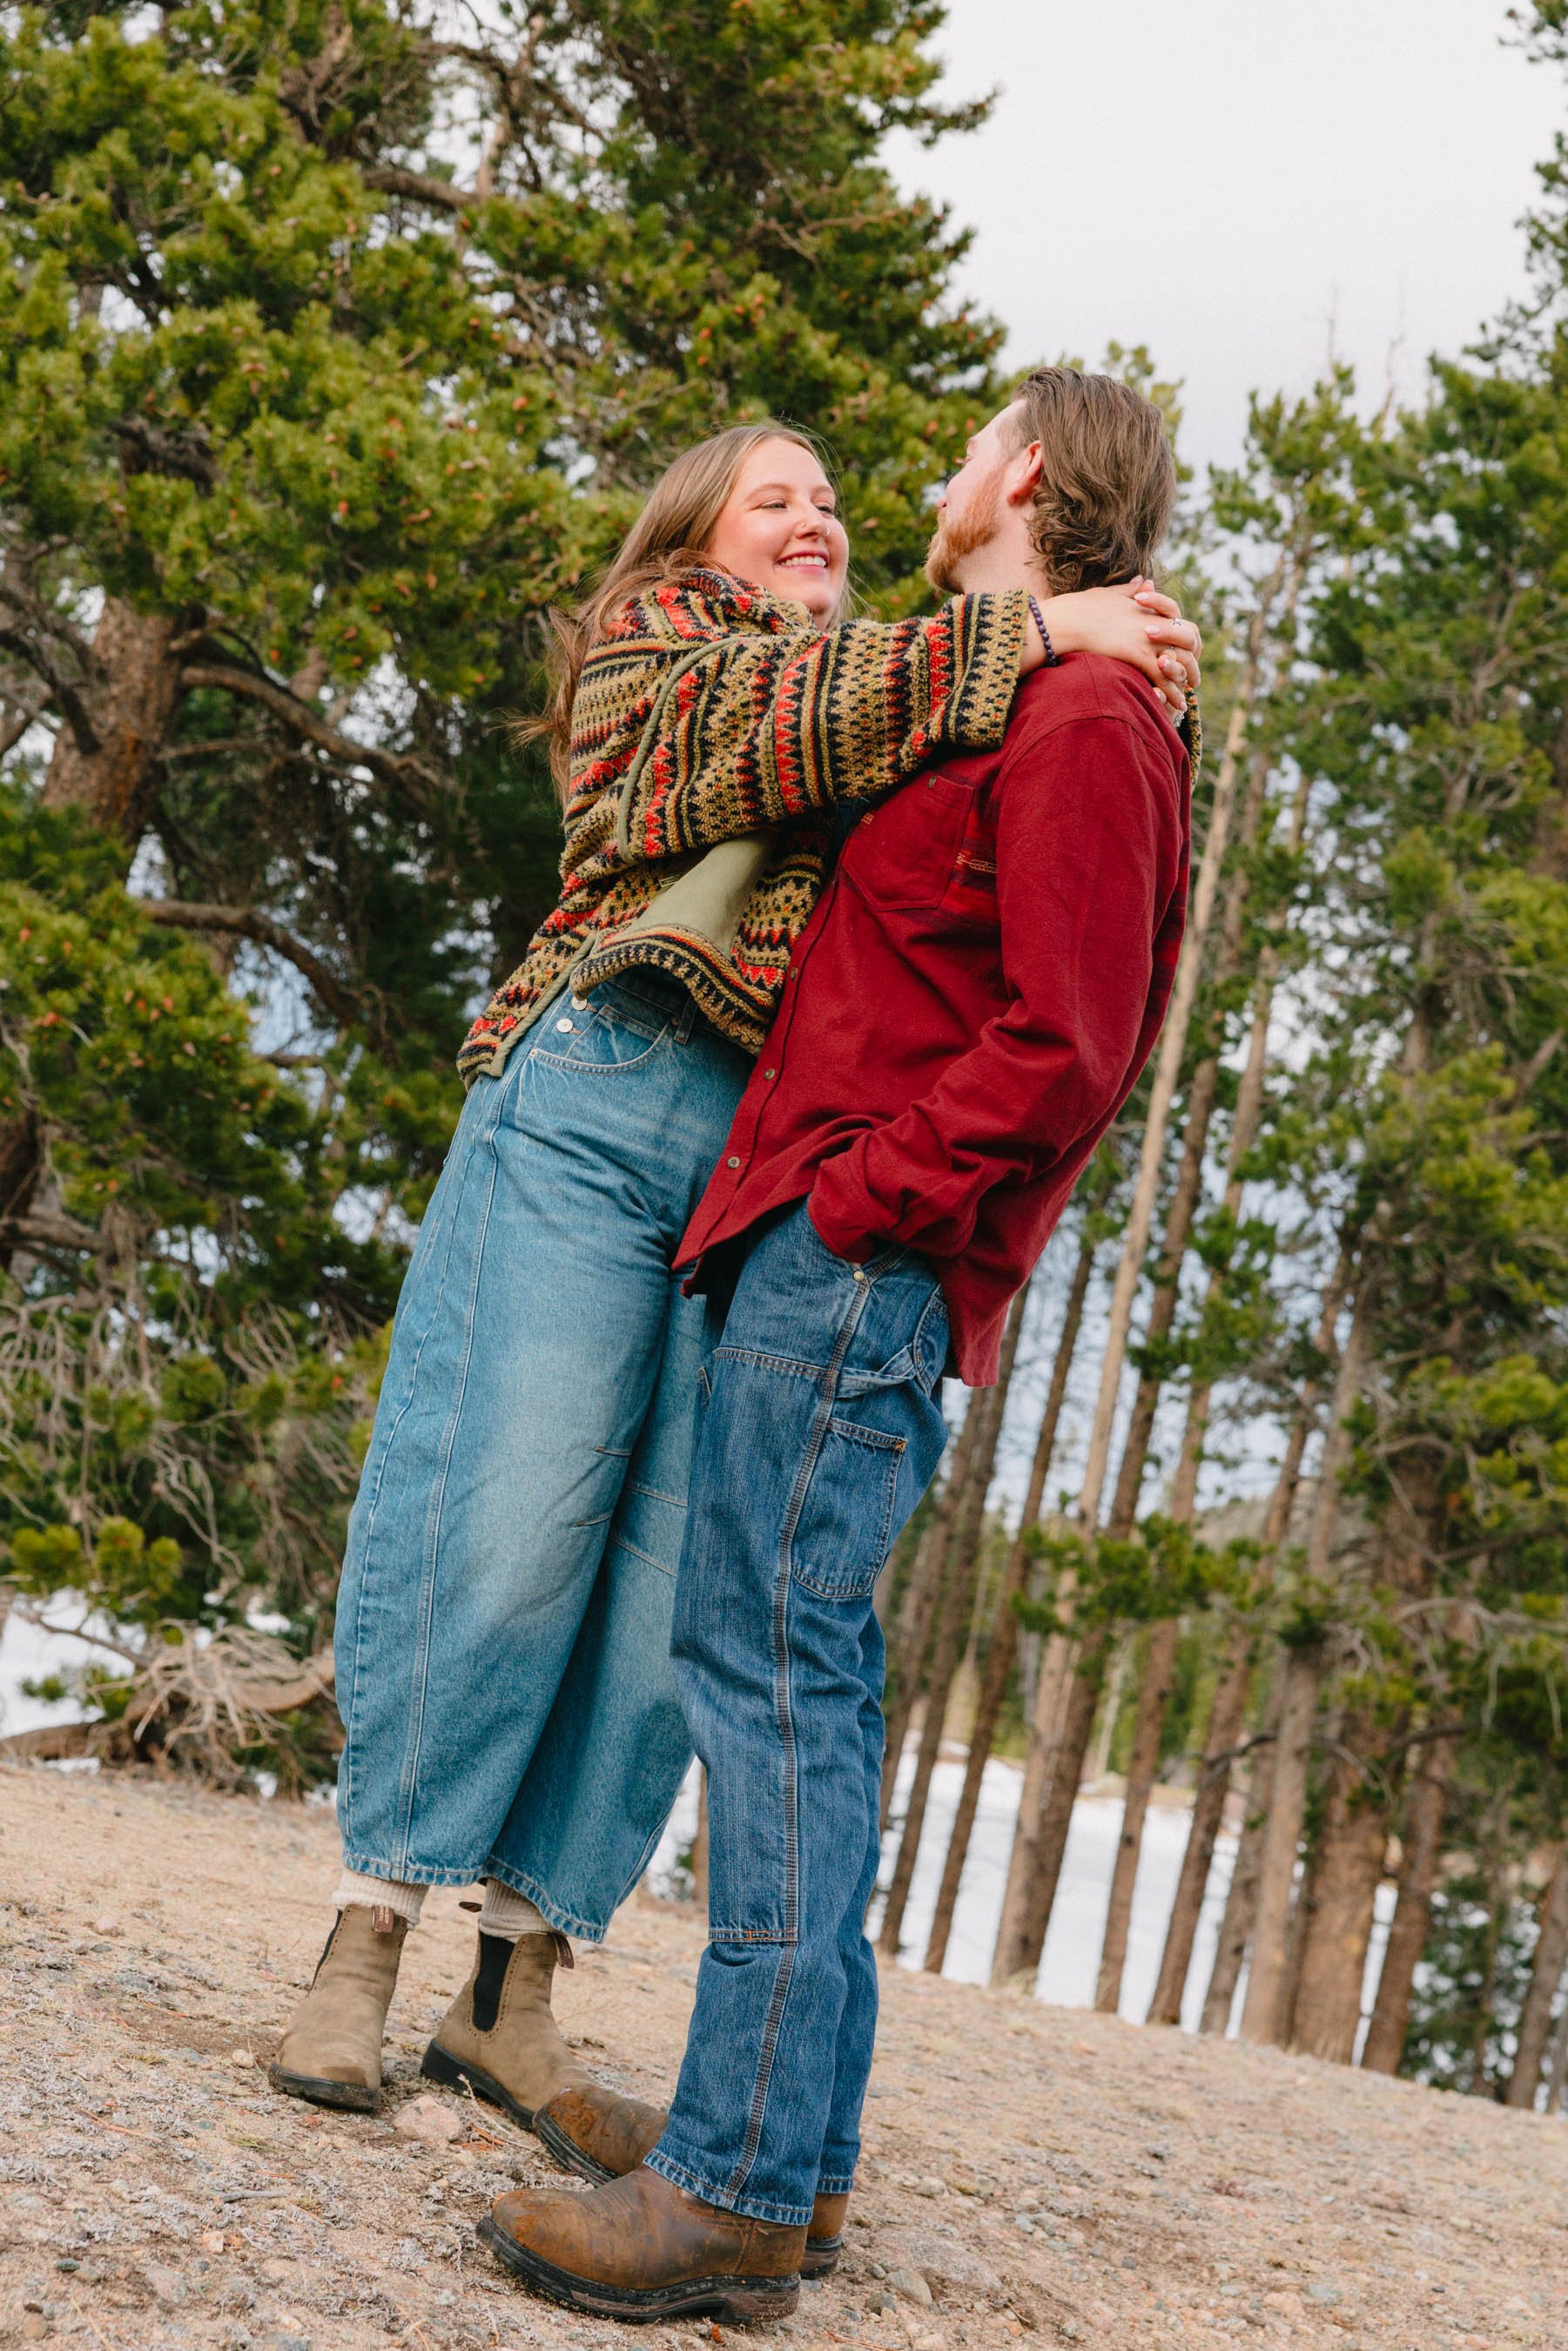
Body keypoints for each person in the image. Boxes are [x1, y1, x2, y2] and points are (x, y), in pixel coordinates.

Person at [268, 415, 1201, 2152]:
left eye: (834, 503)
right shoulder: (669, 649)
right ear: (694, 534)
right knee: (508, 1512)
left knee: (660, 1586)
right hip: (597, 1088)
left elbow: (1048, 832)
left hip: (764, 1163)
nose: (819, 521)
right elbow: (758, 735)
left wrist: (1117, 643)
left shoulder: (933, 682)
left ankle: (514, 1990)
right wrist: (1042, 630)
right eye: (776, 499)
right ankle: (370, 1927)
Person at [481, 367, 1195, 2327]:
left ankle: (725, 2192)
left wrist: (862, 1200)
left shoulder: (1091, 717)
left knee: (774, 1692)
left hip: (854, 1265)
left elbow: (1068, 1043)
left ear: (1028, 475)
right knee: (788, 1685)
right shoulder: (1025, 684)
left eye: (973, 445)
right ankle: (783, 2169)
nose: (938, 476)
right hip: (819, 1247)